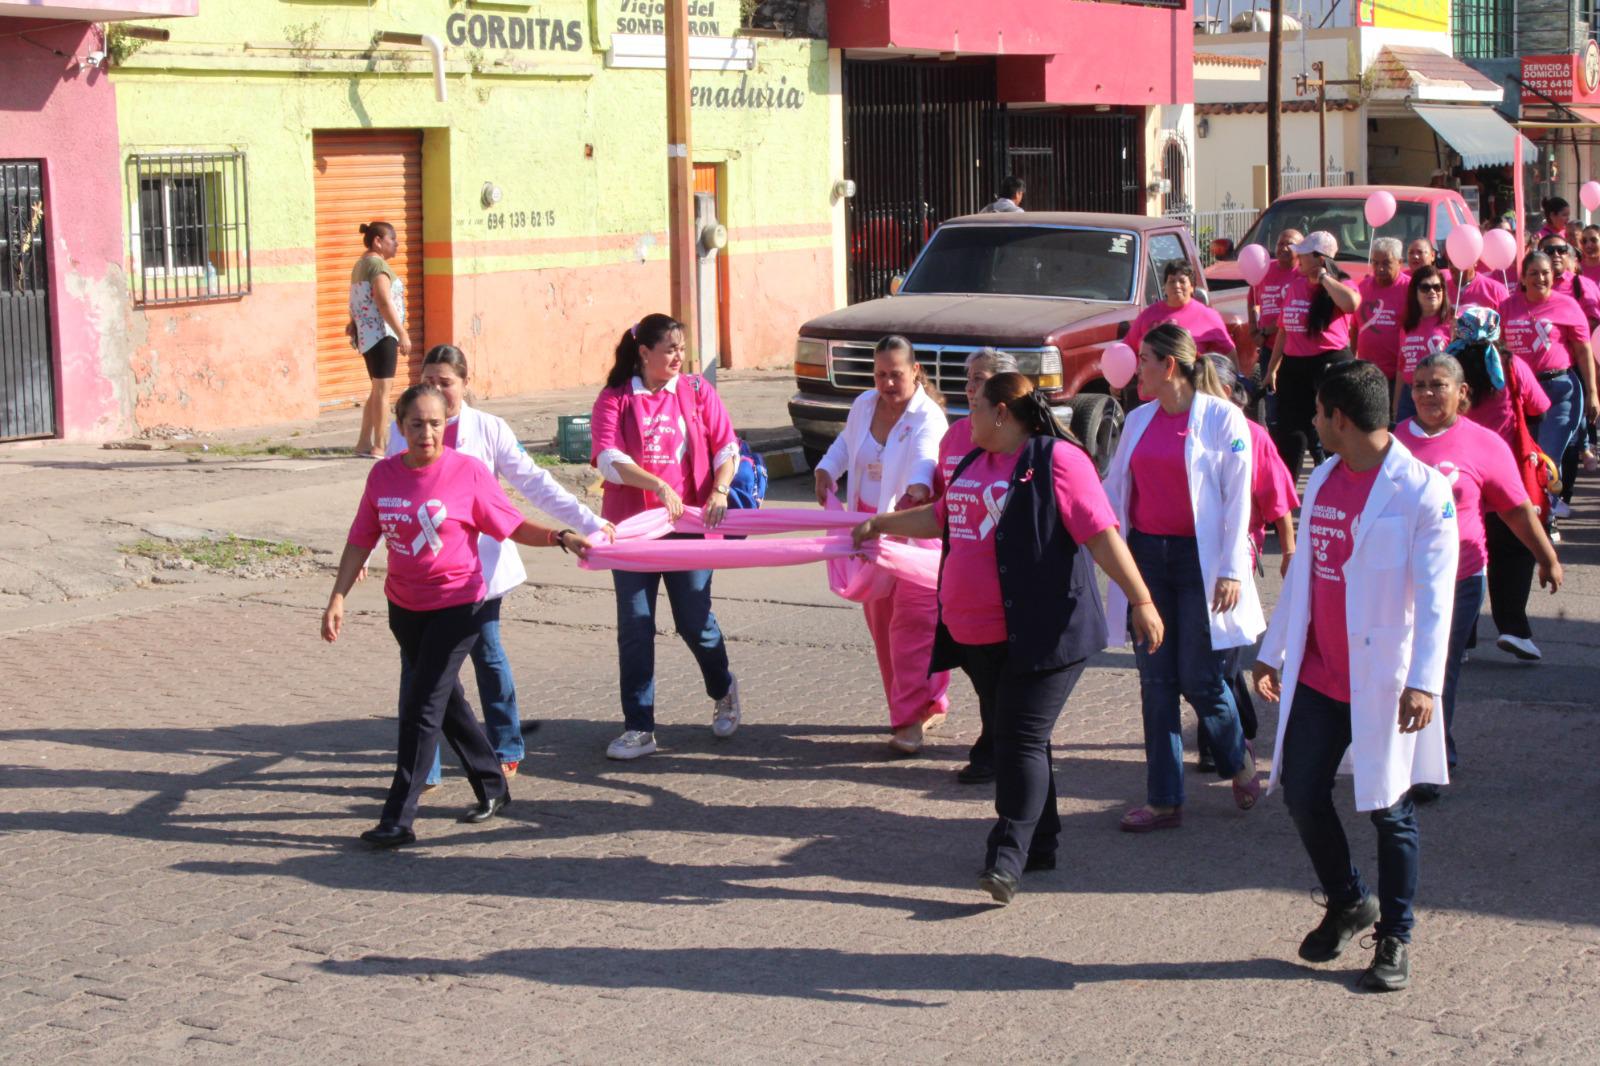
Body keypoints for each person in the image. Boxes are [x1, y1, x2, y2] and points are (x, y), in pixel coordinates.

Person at [850, 373, 1163, 904]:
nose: (966, 421)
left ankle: (1007, 855)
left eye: (975, 411)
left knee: (1015, 740)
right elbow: (941, 518)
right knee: (1024, 739)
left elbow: (1100, 532)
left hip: (1043, 634)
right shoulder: (974, 462)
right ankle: (1043, 843)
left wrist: (1141, 600)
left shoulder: (1056, 461)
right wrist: (882, 524)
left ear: (1002, 414)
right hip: (980, 638)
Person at [1253, 360, 1458, 993]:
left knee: (1389, 811)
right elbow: (1307, 576)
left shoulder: (1422, 490)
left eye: (1318, 414)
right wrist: (1273, 648)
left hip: (1384, 682)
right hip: (1319, 674)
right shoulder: (1322, 480)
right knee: (1302, 792)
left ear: (1340, 418)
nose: (1314, 423)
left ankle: (1395, 935)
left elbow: (1436, 596)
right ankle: (1348, 900)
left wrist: (1425, 682)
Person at [322, 384, 594, 848]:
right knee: (447, 705)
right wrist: (338, 596)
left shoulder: (467, 472)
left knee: (420, 706)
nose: (427, 433)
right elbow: (361, 538)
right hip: (405, 607)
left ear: (446, 423)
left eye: (435, 423)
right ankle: (492, 786)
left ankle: (398, 819)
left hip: (459, 603)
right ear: (400, 425)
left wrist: (561, 537)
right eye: (416, 424)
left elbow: (511, 523)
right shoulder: (383, 477)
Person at [384, 345, 610, 786]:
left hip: (476, 575)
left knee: (486, 654)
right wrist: (368, 553)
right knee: (416, 669)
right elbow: (389, 496)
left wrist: (588, 521)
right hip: (418, 577)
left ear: (466, 385)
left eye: (445, 382)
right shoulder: (405, 429)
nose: (435, 391)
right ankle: (421, 767)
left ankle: (505, 744)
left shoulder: (488, 430)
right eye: (428, 380)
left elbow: (534, 482)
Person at [1103, 323, 1264, 832]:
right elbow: (1114, 488)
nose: (1137, 371)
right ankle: (1164, 800)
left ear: (1169, 366)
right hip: (1148, 559)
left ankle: (1238, 759)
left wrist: (1234, 569)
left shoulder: (1222, 419)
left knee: (1200, 678)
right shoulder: (1137, 420)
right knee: (1156, 681)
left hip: (1203, 562)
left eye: (1145, 359)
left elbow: (1239, 500)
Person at [1398, 352, 1562, 801]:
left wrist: (1546, 557)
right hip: (1398, 580)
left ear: (1462, 392)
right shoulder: (1394, 442)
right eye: (1420, 385)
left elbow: (1514, 508)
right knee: (1398, 668)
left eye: (1439, 385)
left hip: (1460, 577)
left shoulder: (1483, 444)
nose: (1428, 393)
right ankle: (1399, 750)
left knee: (1439, 668)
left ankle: (1432, 761)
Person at [590, 313, 743, 760]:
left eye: (681, 348)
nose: (678, 357)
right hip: (633, 531)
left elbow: (726, 446)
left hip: (690, 528)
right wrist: (655, 485)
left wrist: (719, 489)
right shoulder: (615, 398)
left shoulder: (696, 390)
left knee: (694, 621)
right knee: (635, 627)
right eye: (669, 349)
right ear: (644, 353)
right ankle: (639, 727)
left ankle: (723, 687)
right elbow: (606, 458)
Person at [815, 335, 951, 754]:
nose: (887, 383)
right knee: (882, 627)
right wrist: (826, 469)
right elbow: (846, 445)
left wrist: (917, 488)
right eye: (880, 375)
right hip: (867, 532)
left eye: (895, 374)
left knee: (911, 625)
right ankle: (924, 701)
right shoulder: (863, 405)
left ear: (915, 371)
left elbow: (927, 458)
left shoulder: (928, 415)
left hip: (913, 528)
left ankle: (908, 721)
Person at [1194, 354, 1297, 774]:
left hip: (1236, 558)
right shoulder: (1186, 427)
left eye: (1208, 385)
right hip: (1188, 558)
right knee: (1211, 657)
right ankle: (1236, 724)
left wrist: (1289, 551)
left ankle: (1218, 744)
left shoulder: (1251, 434)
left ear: (1228, 390)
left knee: (1221, 656)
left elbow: (1278, 499)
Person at [935, 347, 1020, 785]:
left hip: (1002, 584)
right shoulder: (952, 438)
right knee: (975, 665)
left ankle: (999, 749)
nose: (971, 388)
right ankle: (997, 741)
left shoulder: (1024, 445)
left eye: (981, 379)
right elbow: (940, 506)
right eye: (969, 378)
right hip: (958, 576)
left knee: (999, 673)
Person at [1453, 310, 1557, 662]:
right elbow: (1539, 407)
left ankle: (1461, 640)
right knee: (1513, 551)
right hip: (1506, 473)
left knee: (1462, 558)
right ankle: (1513, 629)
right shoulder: (1510, 365)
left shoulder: (1447, 367)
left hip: (1460, 474)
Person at [1499, 252, 1600, 541]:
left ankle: (1548, 518)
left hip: (1560, 391)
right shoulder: (1507, 307)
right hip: (1519, 394)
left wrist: (1593, 393)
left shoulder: (1567, 306)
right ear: (1523, 277)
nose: (1541, 278)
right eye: (1534, 273)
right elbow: (1499, 350)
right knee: (1521, 455)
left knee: (1547, 456)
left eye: (1545, 273)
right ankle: (1525, 515)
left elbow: (1583, 352)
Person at [1267, 230, 1362, 477]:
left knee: (1335, 433)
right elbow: (1283, 331)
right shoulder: (1295, 285)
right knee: (1290, 438)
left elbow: (1351, 303)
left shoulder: (1341, 283)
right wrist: (1272, 369)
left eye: (1304, 255)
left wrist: (1325, 280)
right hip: (1294, 369)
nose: (1298, 259)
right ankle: (1284, 500)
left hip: (1329, 366)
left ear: (1320, 259)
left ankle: (1343, 485)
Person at [347, 221, 411, 459]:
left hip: (367, 335)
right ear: (378, 241)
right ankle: (380, 445)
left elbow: (356, 299)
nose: (396, 244)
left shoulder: (360, 264)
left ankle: (364, 443)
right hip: (382, 335)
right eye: (392, 240)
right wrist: (402, 333)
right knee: (383, 391)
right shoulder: (377, 266)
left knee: (376, 390)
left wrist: (353, 322)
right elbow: (383, 301)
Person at [1124, 262, 1236, 356]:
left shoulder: (1208, 316)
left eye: (1182, 281)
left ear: (1192, 287)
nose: (1176, 285)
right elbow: (1127, 350)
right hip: (1150, 381)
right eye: (1172, 281)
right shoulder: (1147, 315)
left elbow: (1229, 354)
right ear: (1165, 287)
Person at [1395, 266, 1454, 422]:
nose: (1432, 292)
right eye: (1425, 287)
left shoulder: (1452, 324)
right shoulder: (1407, 326)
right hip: (1409, 394)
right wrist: (1395, 405)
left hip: (1437, 394)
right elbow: (1401, 367)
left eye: (1437, 287)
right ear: (1415, 292)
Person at [1356, 238, 1410, 389]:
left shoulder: (1409, 289)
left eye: (1386, 263)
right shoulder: (1363, 287)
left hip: (1396, 377)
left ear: (1400, 262)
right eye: (1375, 263)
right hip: (1365, 373)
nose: (1379, 268)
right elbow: (1354, 326)